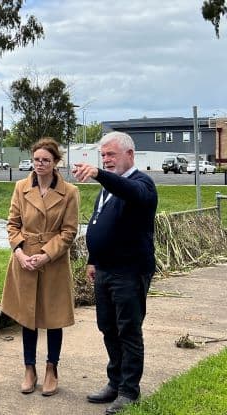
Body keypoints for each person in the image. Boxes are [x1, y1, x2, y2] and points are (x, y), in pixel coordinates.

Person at [72, 131, 158, 415]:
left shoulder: (141, 184)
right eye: (103, 155)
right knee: (107, 327)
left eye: (111, 154)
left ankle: (129, 391)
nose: (106, 160)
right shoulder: (107, 188)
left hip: (129, 271)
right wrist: (93, 259)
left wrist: (98, 173)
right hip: (105, 270)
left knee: (128, 330)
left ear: (130, 155)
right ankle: (115, 381)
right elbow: (99, 222)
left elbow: (130, 193)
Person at [0, 137, 79, 397]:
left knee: (53, 318)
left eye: (46, 160)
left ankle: (51, 369)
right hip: (24, 260)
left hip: (53, 262)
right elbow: (12, 224)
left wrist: (46, 255)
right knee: (28, 317)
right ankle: (29, 369)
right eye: (36, 160)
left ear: (56, 162)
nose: (40, 164)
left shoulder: (70, 192)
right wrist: (20, 252)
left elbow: (69, 232)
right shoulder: (21, 187)